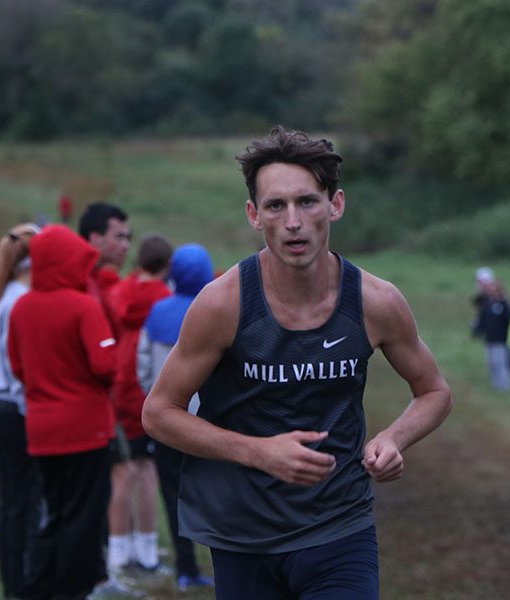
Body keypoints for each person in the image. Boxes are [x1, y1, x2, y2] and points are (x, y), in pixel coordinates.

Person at [142, 126, 452, 598]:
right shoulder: (223, 304)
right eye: (275, 205)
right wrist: (257, 451)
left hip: (339, 526)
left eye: (307, 202)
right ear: (254, 214)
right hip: (244, 534)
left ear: (336, 204)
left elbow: (434, 391)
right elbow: (159, 413)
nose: (292, 222)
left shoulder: (375, 301)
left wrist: (393, 438)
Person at [7, 224, 117, 599]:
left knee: (50, 515)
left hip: (41, 431)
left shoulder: (22, 306)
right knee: (83, 517)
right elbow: (105, 365)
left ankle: (38, 588)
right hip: (85, 428)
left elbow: (17, 366)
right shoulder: (83, 305)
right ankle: (73, 590)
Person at [137, 243, 215, 592]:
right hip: (210, 425)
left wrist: (154, 396)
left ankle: (185, 568)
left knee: (173, 496)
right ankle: (227, 562)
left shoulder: (156, 312)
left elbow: (142, 365)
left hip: (167, 425)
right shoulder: (214, 312)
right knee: (218, 494)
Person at [0, 223, 42, 597]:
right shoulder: (19, 298)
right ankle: (22, 584)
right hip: (16, 410)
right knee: (24, 501)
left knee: (14, 502)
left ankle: (12, 582)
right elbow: (19, 363)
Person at [106, 235, 173, 573]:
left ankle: (118, 549)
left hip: (118, 384)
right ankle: (146, 551)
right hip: (145, 389)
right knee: (146, 471)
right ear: (166, 266)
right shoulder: (162, 298)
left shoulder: (120, 291)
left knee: (121, 470)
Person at [78, 202, 131, 295]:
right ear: (95, 238)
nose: (126, 245)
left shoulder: (114, 284)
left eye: (128, 238)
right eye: (119, 237)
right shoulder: (76, 282)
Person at [471, 279, 510, 391]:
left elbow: (509, 321)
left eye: (493, 290)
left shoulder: (505, 305)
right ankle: (496, 385)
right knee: (492, 363)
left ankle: (505, 386)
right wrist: (477, 330)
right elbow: (482, 320)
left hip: (502, 340)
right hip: (490, 340)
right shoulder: (488, 305)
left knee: (501, 363)